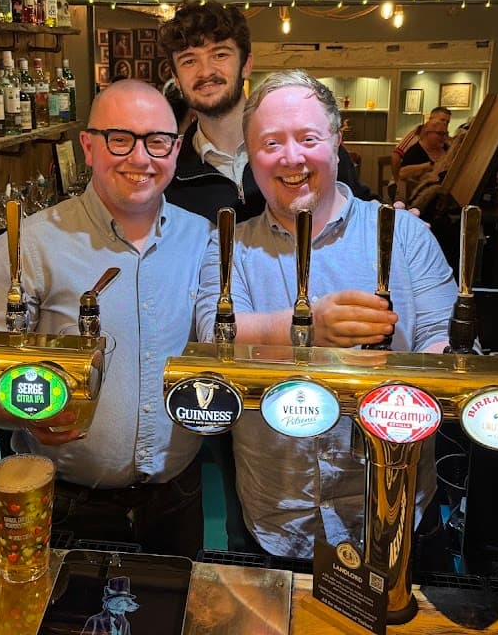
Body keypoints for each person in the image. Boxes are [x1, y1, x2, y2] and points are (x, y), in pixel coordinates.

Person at [195, 69, 458, 560]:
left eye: (308, 139)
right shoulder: (232, 245)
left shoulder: (406, 235)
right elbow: (214, 336)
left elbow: (442, 341)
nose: (291, 157)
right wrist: (308, 327)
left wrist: (445, 359)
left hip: (394, 510)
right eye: (271, 143)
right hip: (276, 517)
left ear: (338, 142)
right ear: (250, 156)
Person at [0, 80, 212, 558]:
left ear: (176, 148)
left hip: (179, 499)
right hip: (65, 505)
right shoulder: (25, 247)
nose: (140, 158)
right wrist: (24, 411)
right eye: (120, 139)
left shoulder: (202, 238)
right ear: (87, 146)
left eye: (157, 141)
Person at [158, 0, 373, 223]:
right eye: (189, 61)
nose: (205, 72)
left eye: (220, 55)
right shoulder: (168, 174)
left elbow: (360, 216)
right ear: (176, 78)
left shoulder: (311, 148)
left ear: (246, 65)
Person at [389, 105, 451, 184]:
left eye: (447, 122)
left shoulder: (444, 141)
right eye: (442, 120)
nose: (444, 124)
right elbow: (395, 156)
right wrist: (397, 181)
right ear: (431, 120)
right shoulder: (414, 135)